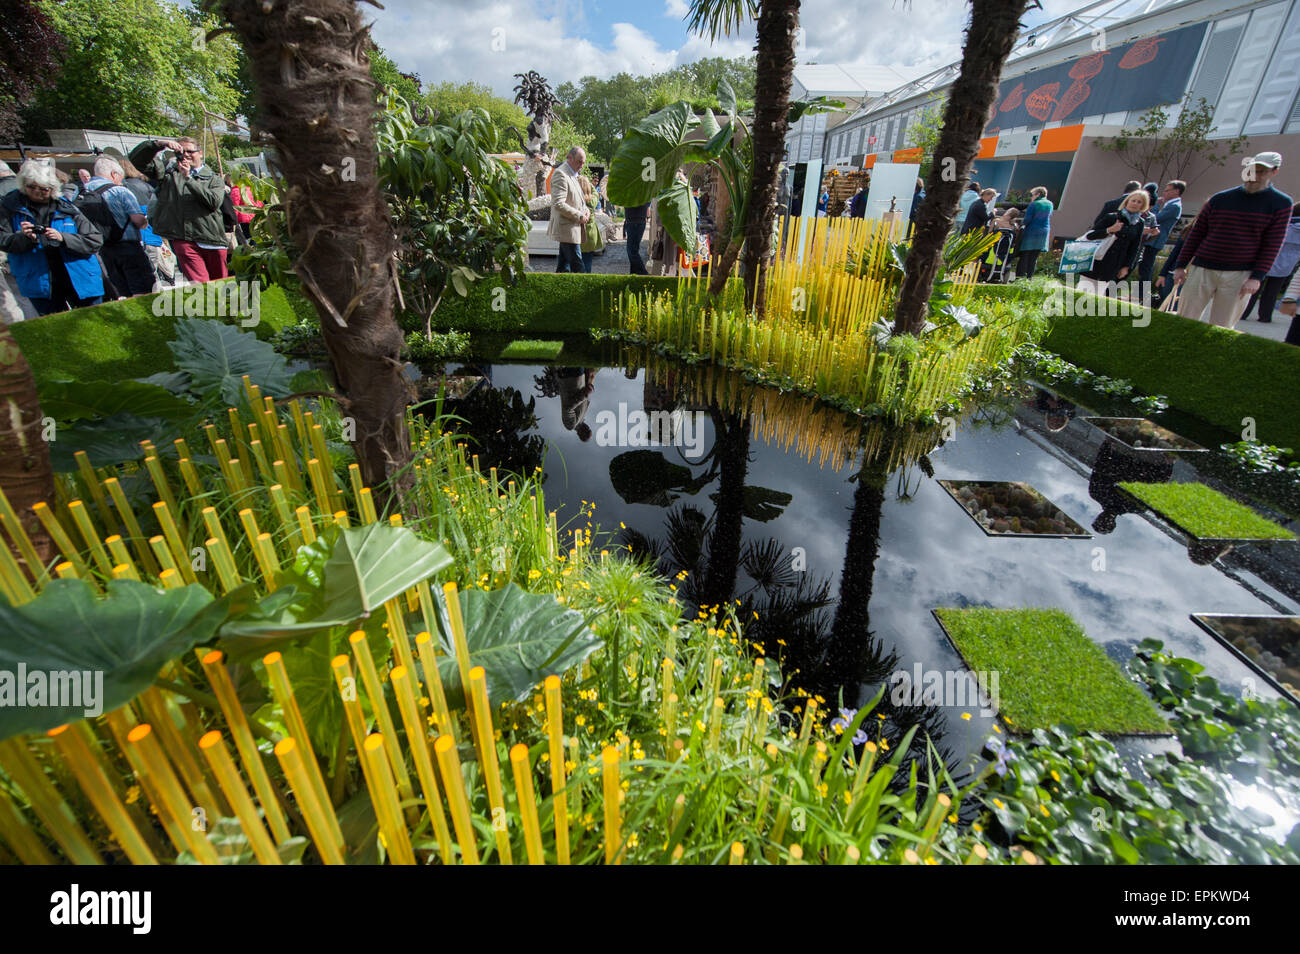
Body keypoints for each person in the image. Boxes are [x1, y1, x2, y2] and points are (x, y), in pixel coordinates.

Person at [1174, 151, 1294, 328]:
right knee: (1184, 319)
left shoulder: (1281, 203)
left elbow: (1273, 244)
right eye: (1251, 170)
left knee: (1222, 325)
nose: (1254, 176)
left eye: (1261, 171)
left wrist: (1257, 277)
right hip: (1203, 267)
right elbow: (1197, 233)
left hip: (1240, 273)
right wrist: (1180, 265)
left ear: (1274, 172)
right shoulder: (1220, 198)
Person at [0, 160, 104, 314]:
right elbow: (3, 240)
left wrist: (63, 238)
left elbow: (94, 240)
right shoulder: (9, 207)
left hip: (80, 277)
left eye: (43, 189)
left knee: (94, 322)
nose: (36, 192)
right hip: (38, 281)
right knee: (54, 330)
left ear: (53, 188)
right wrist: (25, 238)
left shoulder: (66, 206)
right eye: (31, 187)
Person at [128, 136, 229, 283]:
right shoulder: (168, 174)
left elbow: (213, 202)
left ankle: (225, 305)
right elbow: (136, 159)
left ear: (200, 153)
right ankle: (208, 305)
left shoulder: (213, 179)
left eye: (190, 151)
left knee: (221, 282)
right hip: (184, 239)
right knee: (200, 284)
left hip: (212, 239)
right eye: (181, 152)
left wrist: (188, 179)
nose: (186, 155)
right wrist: (159, 144)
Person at [80, 156, 154, 298]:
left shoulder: (82, 193)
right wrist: (146, 222)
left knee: (123, 291)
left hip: (104, 249)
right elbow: (138, 220)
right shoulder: (120, 191)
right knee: (142, 288)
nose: (121, 181)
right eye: (120, 177)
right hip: (128, 247)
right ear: (114, 174)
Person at [1079, 189, 1149, 296]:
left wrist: (1126, 267)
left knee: (1098, 296)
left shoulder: (1139, 223)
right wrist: (1110, 230)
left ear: (1143, 206)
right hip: (1098, 259)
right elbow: (1090, 236)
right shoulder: (1112, 217)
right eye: (1133, 200)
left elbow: (1134, 247)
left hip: (1114, 263)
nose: (1135, 204)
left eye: (1139, 202)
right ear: (1127, 201)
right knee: (1083, 292)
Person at [1240, 202, 1300, 322]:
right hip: (1288, 263)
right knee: (1273, 291)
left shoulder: (1283, 223)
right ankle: (1265, 316)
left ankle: (1243, 313)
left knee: (1255, 288)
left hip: (1269, 258)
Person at [119, 157, 168, 288]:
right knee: (153, 275)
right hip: (152, 236)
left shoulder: (124, 189)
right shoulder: (147, 186)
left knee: (146, 279)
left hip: (139, 238)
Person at [1137, 180, 1184, 299]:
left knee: (1146, 266)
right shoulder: (1171, 205)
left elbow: (1155, 219)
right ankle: (1141, 294)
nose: (1165, 193)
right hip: (1153, 240)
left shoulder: (1175, 206)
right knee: (1144, 266)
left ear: (1176, 191)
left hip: (1155, 241)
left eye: (1168, 190)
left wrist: (1156, 205)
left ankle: (1142, 295)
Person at [547, 146, 589, 273]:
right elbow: (558, 203)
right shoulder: (561, 174)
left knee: (563, 268)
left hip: (570, 229)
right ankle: (585, 291)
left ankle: (558, 290)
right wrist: (580, 216)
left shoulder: (572, 174)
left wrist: (586, 210)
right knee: (578, 267)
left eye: (583, 162)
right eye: (579, 162)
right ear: (569, 158)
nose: (581, 165)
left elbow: (578, 199)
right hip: (567, 229)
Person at [1016, 186, 1052, 279]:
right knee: (1034, 257)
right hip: (1044, 232)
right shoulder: (1050, 204)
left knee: (1025, 255)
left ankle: (1020, 277)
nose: (1031, 197)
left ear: (1038, 194)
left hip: (1032, 231)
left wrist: (1020, 224)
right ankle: (1029, 277)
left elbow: (1027, 219)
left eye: (1032, 195)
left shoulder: (1034, 204)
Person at [578, 174, 603, 273]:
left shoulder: (577, 201)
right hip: (591, 235)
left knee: (577, 263)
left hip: (579, 236)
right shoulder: (593, 199)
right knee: (588, 263)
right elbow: (596, 193)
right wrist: (588, 183)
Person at [624, 201, 649, 275]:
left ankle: (643, 273)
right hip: (635, 220)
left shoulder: (639, 192)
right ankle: (634, 273)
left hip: (635, 221)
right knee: (633, 250)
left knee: (632, 251)